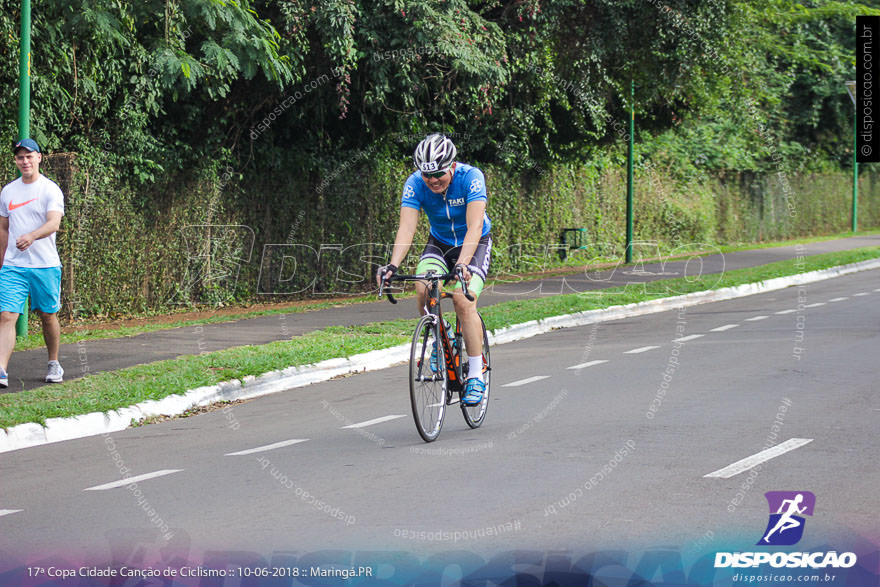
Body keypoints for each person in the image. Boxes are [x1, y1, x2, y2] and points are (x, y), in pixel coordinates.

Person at [377, 134, 492, 406]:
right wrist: (393, 265)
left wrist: (463, 263)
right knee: (422, 288)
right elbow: (407, 228)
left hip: (474, 244)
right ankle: (443, 336)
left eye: (438, 173)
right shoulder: (415, 184)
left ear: (452, 166)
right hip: (439, 244)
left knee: (463, 301)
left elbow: (475, 227)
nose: (432, 180)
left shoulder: (471, 177)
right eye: (426, 175)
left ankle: (476, 375)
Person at [0, 138, 65, 387]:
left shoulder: (50, 189)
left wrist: (31, 236)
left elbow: (53, 223)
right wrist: (2, 259)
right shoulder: (8, 191)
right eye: (20, 157)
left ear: (39, 158)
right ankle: (2, 370)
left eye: (29, 156)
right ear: (16, 161)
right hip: (13, 266)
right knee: (7, 315)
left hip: (45, 265)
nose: (25, 161)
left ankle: (53, 363)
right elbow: (3, 228)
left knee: (47, 315)